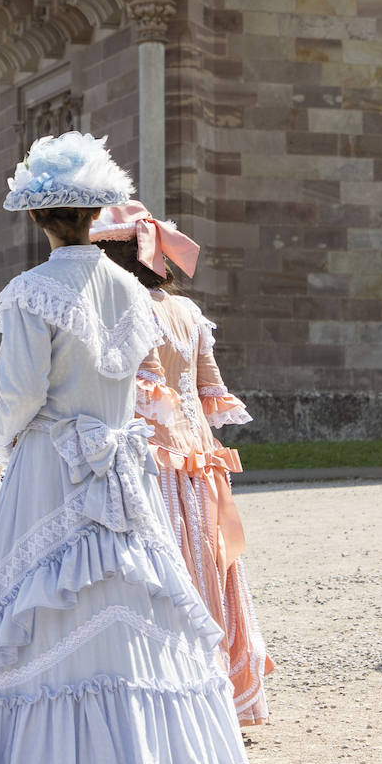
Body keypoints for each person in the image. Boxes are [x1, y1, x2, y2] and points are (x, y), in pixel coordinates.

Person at [0, 133, 261, 764]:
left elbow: (19, 393)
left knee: (43, 615)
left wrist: (3, 441)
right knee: (132, 610)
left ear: (39, 220)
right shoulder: (131, 291)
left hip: (54, 463)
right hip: (122, 465)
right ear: (95, 213)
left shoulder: (31, 291)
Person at [92, 200, 274, 727]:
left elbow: (142, 393)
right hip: (200, 458)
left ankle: (179, 687)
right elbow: (208, 389)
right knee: (206, 561)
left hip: (157, 459)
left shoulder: (128, 308)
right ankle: (222, 683)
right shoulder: (189, 311)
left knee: (167, 562)